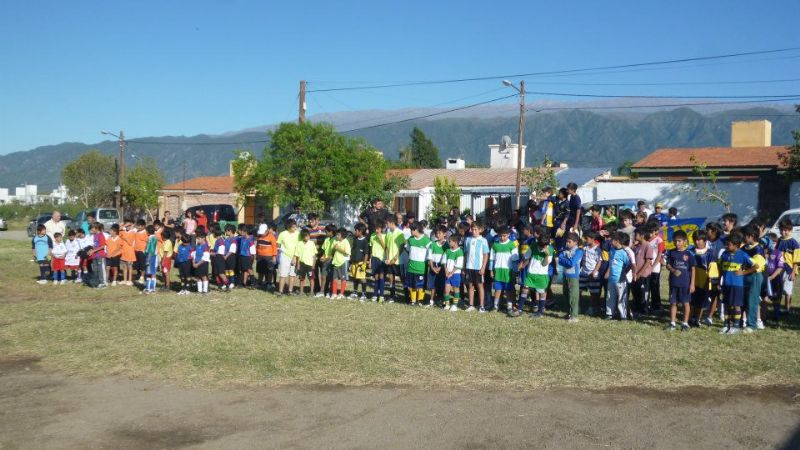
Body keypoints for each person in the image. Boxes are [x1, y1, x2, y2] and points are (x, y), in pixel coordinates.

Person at [718, 232, 756, 334]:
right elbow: (720, 267)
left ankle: (736, 326)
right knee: (726, 305)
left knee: (736, 305)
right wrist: (718, 280)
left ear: (736, 245)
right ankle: (726, 325)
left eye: (729, 244)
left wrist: (743, 272)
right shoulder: (724, 254)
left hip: (737, 285)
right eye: (726, 244)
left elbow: (756, 266)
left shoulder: (742, 255)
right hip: (726, 284)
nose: (727, 246)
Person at [665, 230, 694, 331]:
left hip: (685, 283)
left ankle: (685, 323)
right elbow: (668, 265)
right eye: (675, 241)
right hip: (674, 282)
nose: (677, 243)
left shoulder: (689, 254)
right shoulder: (671, 252)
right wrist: (673, 270)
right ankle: (672, 322)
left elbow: (692, 269)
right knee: (673, 303)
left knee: (686, 303)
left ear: (685, 241)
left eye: (679, 241)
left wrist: (692, 284)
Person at [518, 231, 552, 318]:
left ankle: (540, 312)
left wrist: (547, 256)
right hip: (531, 273)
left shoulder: (550, 250)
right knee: (525, 289)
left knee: (541, 293)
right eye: (539, 245)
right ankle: (519, 309)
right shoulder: (533, 245)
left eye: (543, 246)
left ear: (546, 245)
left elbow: (544, 264)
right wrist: (521, 265)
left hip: (542, 275)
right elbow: (527, 257)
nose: (541, 248)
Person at [742, 225, 765, 332]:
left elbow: (756, 267)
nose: (743, 238)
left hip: (754, 277)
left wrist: (743, 272)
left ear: (751, 236)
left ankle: (752, 325)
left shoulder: (758, 249)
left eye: (745, 236)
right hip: (744, 276)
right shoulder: (744, 248)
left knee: (752, 301)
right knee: (745, 300)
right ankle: (744, 321)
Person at [489, 226, 518, 314]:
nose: (502, 238)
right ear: (498, 235)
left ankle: (509, 306)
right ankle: (495, 306)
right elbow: (491, 259)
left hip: (508, 271)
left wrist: (514, 272)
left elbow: (515, 260)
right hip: (497, 270)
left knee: (508, 290)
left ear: (508, 235)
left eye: (504, 236)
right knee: (497, 290)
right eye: (501, 236)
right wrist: (491, 270)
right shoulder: (495, 245)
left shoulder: (512, 245)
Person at [604, 232, 631, 320]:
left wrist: (624, 274)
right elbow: (610, 262)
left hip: (620, 280)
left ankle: (623, 315)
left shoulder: (624, 253)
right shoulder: (612, 250)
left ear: (617, 241)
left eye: (612, 240)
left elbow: (629, 264)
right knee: (610, 296)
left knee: (621, 298)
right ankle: (609, 313)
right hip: (611, 279)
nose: (611, 241)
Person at [464, 222, 490, 312]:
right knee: (470, 286)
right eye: (472, 229)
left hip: (478, 267)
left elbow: (486, 255)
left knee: (480, 286)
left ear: (480, 230)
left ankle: (481, 306)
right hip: (469, 267)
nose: (474, 231)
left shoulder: (483, 240)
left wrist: (483, 267)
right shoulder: (467, 240)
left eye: (476, 229)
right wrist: (464, 267)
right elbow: (465, 253)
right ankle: (471, 305)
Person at [776, 218, 799, 316]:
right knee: (779, 288)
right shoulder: (779, 240)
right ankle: (778, 308)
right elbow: (776, 254)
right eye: (782, 230)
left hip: (789, 269)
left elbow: (796, 259)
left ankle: (787, 308)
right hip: (779, 268)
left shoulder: (794, 242)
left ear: (790, 230)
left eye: (786, 230)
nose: (783, 232)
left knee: (787, 289)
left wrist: (793, 271)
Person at [689, 230, 713, 327]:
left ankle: (697, 319)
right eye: (695, 240)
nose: (697, 242)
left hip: (703, 281)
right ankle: (689, 318)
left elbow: (712, 269)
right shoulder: (690, 251)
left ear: (705, 241)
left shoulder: (710, 253)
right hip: (691, 280)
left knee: (701, 302)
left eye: (699, 240)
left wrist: (710, 282)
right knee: (690, 300)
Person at [558, 232, 584, 322]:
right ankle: (569, 312)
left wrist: (564, 260)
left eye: (569, 242)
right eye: (566, 242)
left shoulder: (579, 251)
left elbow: (572, 263)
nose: (567, 243)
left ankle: (574, 316)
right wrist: (565, 260)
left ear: (575, 242)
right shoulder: (565, 250)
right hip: (565, 274)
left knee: (573, 296)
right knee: (566, 294)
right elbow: (560, 260)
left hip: (573, 276)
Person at [405, 223, 431, 306]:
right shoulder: (410, 240)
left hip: (421, 268)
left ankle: (420, 300)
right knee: (412, 285)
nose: (410, 232)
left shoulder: (426, 240)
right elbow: (408, 250)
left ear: (416, 230)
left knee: (420, 285)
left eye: (411, 230)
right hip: (411, 267)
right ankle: (413, 300)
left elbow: (430, 253)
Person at [579, 231, 602, 316]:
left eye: (587, 238)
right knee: (579, 290)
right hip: (583, 272)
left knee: (593, 293)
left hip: (593, 273)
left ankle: (593, 308)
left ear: (593, 239)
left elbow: (599, 261)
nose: (585, 240)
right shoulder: (584, 248)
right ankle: (578, 307)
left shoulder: (597, 249)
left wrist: (594, 272)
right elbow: (581, 260)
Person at [384, 216, 406, 302]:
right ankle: (392, 296)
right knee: (390, 277)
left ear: (391, 223)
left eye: (387, 224)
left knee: (402, 278)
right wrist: (388, 258)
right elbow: (387, 247)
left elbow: (402, 246)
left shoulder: (400, 233)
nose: (386, 225)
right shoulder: (388, 234)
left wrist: (396, 257)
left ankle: (407, 295)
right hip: (390, 260)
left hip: (398, 260)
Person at [276, 219, 300, 296]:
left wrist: (294, 257)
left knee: (292, 274)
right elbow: (278, 245)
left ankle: (290, 291)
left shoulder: (298, 234)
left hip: (294, 256)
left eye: (295, 226)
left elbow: (298, 246)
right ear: (288, 227)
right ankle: (280, 291)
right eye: (293, 227)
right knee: (282, 274)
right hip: (284, 256)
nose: (295, 228)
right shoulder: (282, 234)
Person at [426, 225, 447, 307]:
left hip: (442, 267)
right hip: (433, 266)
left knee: (442, 285)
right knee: (433, 285)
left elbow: (447, 257)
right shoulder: (432, 244)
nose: (438, 235)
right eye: (436, 233)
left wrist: (441, 267)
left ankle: (441, 300)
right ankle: (431, 300)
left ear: (444, 234)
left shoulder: (447, 245)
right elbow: (430, 257)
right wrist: (432, 267)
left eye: (440, 233)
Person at [349, 223, 370, 301]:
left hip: (361, 263)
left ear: (360, 231)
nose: (355, 232)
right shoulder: (355, 239)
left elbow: (366, 254)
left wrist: (364, 264)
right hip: (354, 262)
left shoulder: (365, 241)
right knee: (355, 278)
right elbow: (353, 250)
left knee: (362, 278)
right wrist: (351, 262)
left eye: (356, 230)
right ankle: (355, 292)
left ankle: (364, 294)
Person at [443, 235, 464, 311]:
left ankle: (455, 305)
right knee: (446, 289)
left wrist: (451, 273)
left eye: (450, 241)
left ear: (455, 242)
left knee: (456, 289)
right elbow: (444, 262)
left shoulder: (460, 252)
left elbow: (458, 265)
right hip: (447, 273)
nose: (449, 242)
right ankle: (447, 305)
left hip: (455, 274)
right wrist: (446, 271)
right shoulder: (447, 251)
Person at [329, 228, 351, 299]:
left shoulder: (346, 242)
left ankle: (341, 293)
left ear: (343, 236)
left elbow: (347, 253)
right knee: (334, 278)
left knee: (343, 278)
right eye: (336, 234)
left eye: (338, 235)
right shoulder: (335, 240)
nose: (337, 236)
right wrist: (334, 249)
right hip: (335, 262)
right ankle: (334, 293)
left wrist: (339, 249)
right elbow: (332, 249)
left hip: (343, 262)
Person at [295, 229, 317, 296]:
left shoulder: (312, 243)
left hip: (310, 265)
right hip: (302, 264)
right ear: (303, 236)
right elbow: (297, 255)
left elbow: (314, 255)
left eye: (308, 236)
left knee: (311, 278)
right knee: (302, 279)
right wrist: (298, 264)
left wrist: (313, 264)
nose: (307, 237)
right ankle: (301, 291)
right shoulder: (299, 244)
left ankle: (311, 292)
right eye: (306, 236)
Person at [255, 223, 278, 290]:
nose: (262, 234)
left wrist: (274, 257)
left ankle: (269, 283)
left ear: (267, 231)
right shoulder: (259, 236)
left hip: (268, 257)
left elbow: (274, 247)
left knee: (269, 271)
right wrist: (257, 254)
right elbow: (257, 246)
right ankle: (259, 282)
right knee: (260, 271)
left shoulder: (271, 237)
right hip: (260, 256)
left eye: (263, 233)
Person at [370, 221, 388, 302]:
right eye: (375, 228)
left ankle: (381, 295)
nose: (376, 230)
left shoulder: (385, 236)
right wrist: (370, 260)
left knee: (381, 276)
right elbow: (371, 248)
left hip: (382, 259)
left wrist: (380, 238)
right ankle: (375, 294)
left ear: (381, 229)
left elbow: (385, 247)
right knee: (376, 277)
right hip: (374, 258)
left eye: (378, 228)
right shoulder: (372, 236)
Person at [87, 223, 108, 288]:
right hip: (95, 256)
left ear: (96, 228)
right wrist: (91, 250)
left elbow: (102, 246)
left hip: (100, 256)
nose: (92, 231)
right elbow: (95, 245)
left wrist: (94, 250)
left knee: (101, 269)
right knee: (95, 270)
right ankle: (98, 281)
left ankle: (103, 283)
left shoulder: (101, 235)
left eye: (92, 229)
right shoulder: (95, 235)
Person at [237, 224, 254, 289]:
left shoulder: (250, 239)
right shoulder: (241, 238)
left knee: (249, 269)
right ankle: (243, 283)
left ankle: (253, 283)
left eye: (240, 231)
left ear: (245, 231)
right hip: (241, 256)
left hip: (247, 256)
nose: (239, 232)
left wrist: (252, 258)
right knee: (243, 270)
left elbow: (252, 250)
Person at [143, 225, 159, 294]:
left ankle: (150, 289)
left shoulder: (150, 239)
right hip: (154, 256)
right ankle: (150, 288)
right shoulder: (154, 237)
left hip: (151, 257)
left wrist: (148, 259)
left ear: (148, 231)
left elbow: (150, 250)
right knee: (152, 272)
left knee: (150, 273)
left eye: (146, 231)